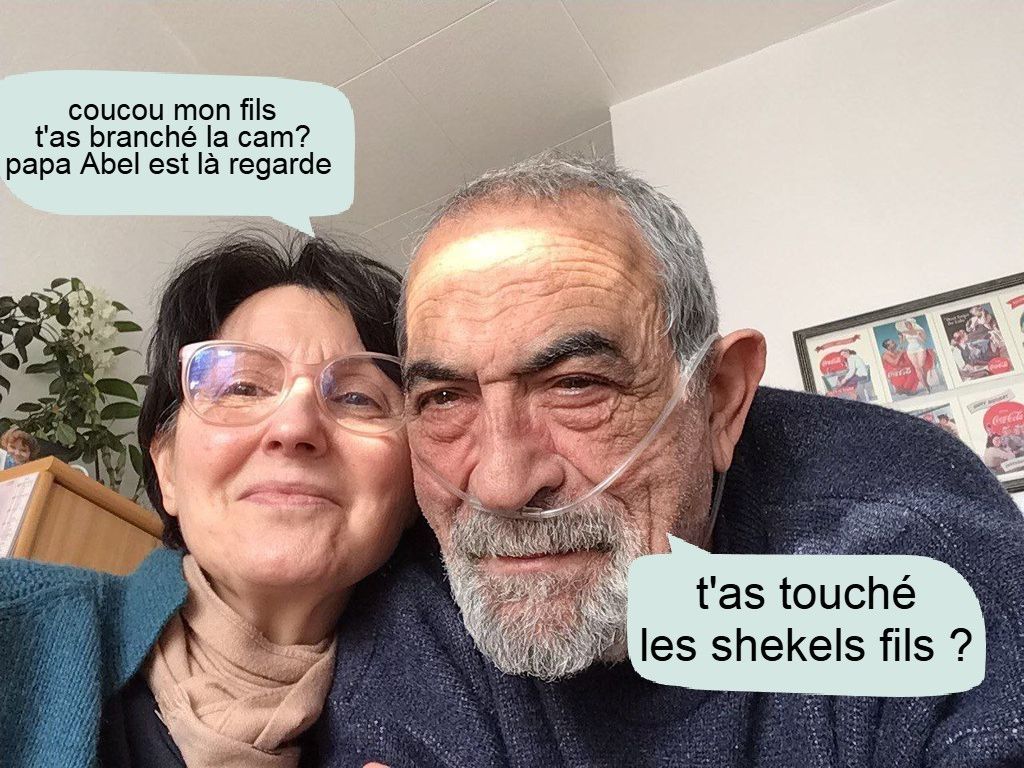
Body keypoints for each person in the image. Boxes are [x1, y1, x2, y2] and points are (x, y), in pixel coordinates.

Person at [314, 154, 1024, 767]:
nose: (499, 486)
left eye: (576, 385)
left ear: (718, 402)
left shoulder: (911, 544)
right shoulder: (410, 615)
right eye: (443, 398)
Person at [0, 234, 415, 768]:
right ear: (166, 468)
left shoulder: (466, 711)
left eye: (357, 397)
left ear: (415, 490)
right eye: (242, 387)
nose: (294, 426)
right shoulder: (16, 629)